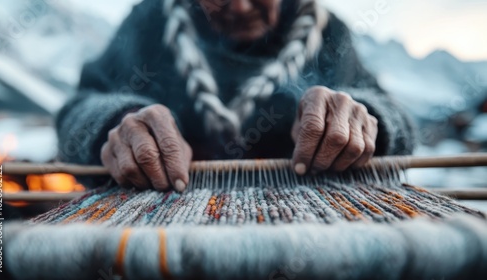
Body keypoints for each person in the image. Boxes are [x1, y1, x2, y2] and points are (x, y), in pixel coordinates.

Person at [56, 0, 415, 192]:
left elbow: (396, 119)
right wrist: (121, 122)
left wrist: (364, 119)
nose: (241, 6)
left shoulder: (330, 35)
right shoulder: (149, 22)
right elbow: (79, 108)